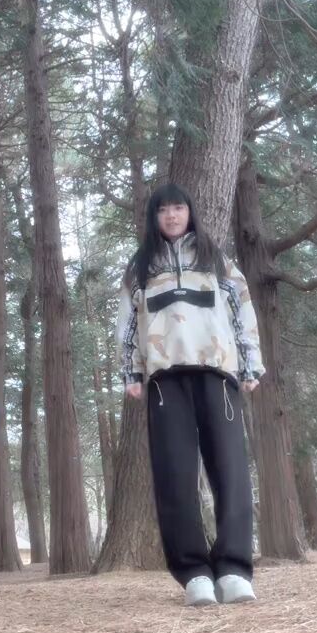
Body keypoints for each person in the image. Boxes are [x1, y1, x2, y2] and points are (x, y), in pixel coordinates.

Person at [117, 183, 264, 607]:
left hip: (217, 372)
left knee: (230, 470)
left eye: (178, 207)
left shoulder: (215, 259)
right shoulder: (141, 266)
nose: (171, 215)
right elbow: (128, 323)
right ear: (154, 217)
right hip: (166, 379)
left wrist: (250, 363)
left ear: (189, 212)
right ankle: (194, 573)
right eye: (163, 209)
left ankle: (234, 569)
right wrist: (131, 371)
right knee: (174, 476)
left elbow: (241, 309)